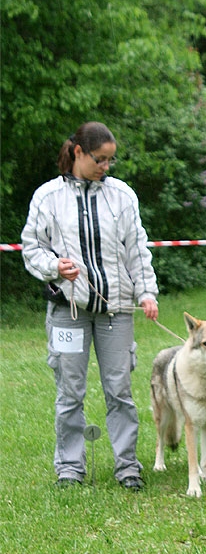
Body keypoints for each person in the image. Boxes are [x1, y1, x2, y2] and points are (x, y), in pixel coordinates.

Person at [21, 121, 159, 491]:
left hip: (117, 311)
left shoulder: (123, 196)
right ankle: (70, 467)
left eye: (111, 161)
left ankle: (128, 466)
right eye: (100, 159)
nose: (106, 167)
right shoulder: (47, 197)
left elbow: (137, 249)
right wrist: (55, 266)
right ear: (78, 152)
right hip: (69, 309)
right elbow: (31, 247)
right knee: (70, 392)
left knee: (120, 391)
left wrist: (146, 292)